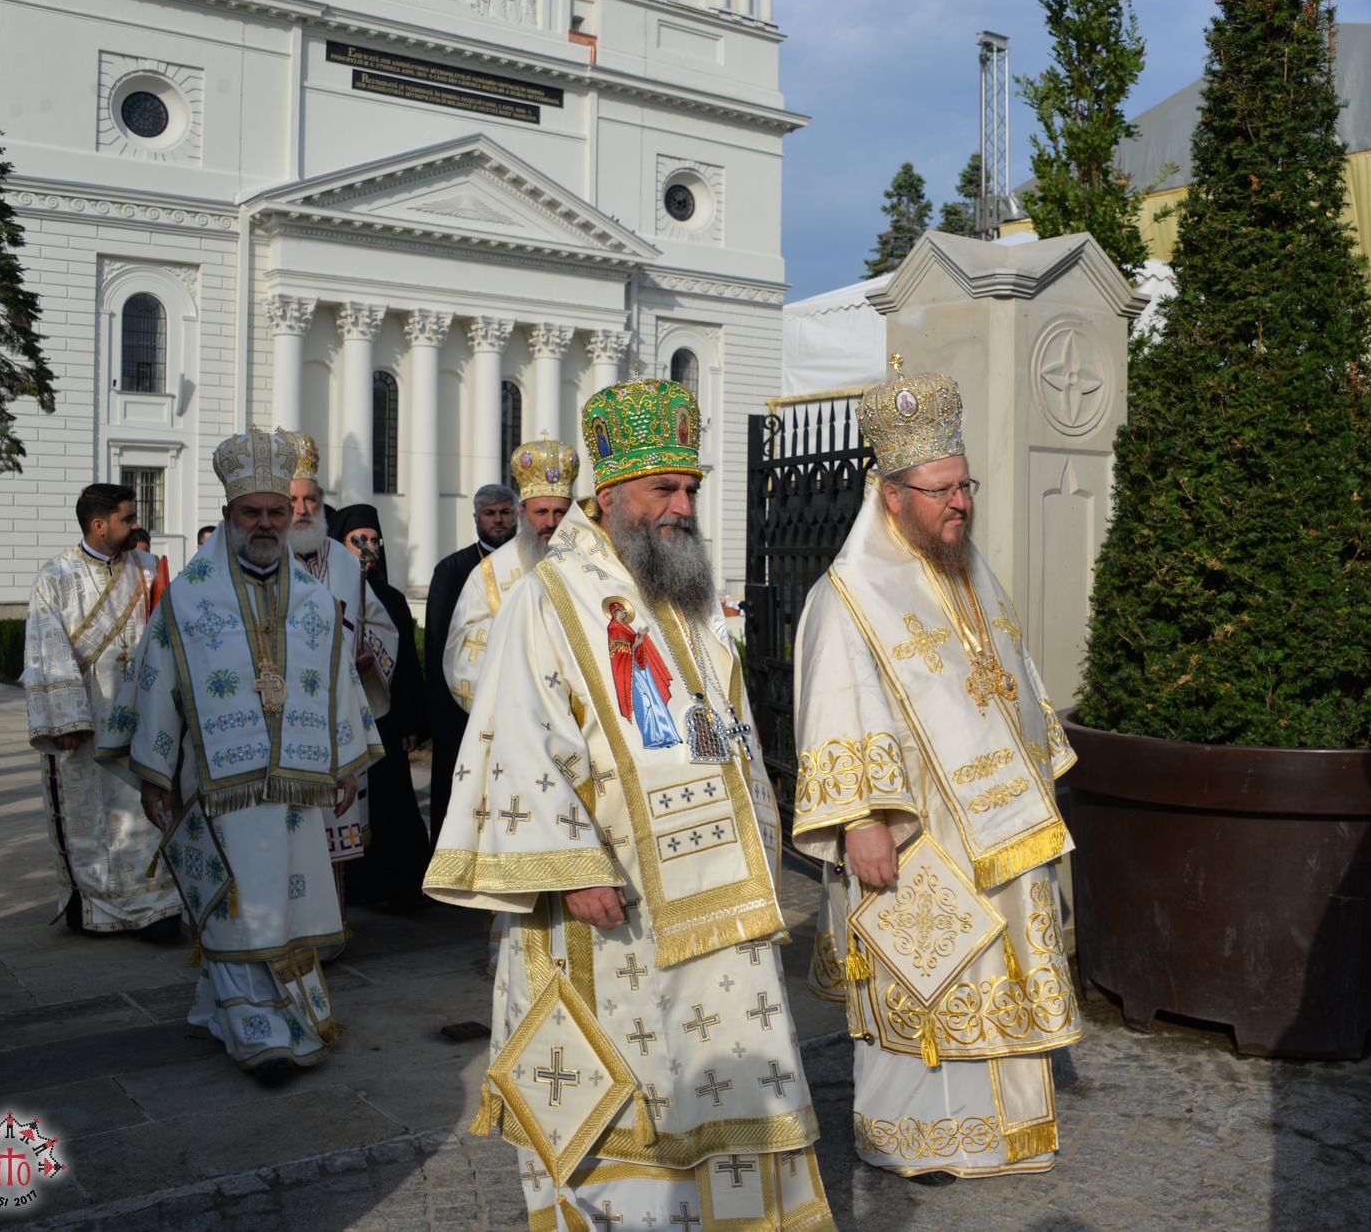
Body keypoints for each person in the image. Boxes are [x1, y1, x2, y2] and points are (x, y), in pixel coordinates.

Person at [424, 381, 834, 1230]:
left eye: (690, 488)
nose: (683, 506)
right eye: (663, 489)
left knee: (726, 1068)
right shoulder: (548, 597)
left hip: (719, 895)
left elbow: (726, 727)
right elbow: (515, 739)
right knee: (638, 1081)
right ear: (609, 496)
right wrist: (573, 866)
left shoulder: (686, 594)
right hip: (613, 899)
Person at [792, 368, 1081, 1182]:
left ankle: (1009, 1132)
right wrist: (860, 821)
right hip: (917, 831)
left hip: (999, 827)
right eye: (941, 489)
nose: (960, 503)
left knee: (999, 972)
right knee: (931, 975)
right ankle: (919, 1141)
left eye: (965, 485)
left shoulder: (968, 571)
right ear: (892, 495)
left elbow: (1009, 677)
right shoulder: (848, 596)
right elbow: (836, 705)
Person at [97, 430, 382, 1078]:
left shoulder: (314, 602)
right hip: (218, 787)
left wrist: (345, 763)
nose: (265, 523)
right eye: (251, 512)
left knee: (284, 897)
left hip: (296, 788)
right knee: (239, 900)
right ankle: (258, 1031)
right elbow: (157, 683)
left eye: (276, 512)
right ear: (228, 516)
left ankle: (217, 1006)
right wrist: (155, 774)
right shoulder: (189, 597)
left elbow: (338, 686)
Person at [20, 483, 182, 937]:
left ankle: (158, 906)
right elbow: (46, 649)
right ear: (99, 525)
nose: (136, 525)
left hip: (144, 716)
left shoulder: (147, 569)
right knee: (90, 814)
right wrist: (66, 719)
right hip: (88, 720)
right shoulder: (55, 576)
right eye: (127, 518)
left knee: (145, 814)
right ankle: (93, 905)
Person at [276, 430, 398, 871]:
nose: (302, 510)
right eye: (292, 500)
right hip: (282, 718)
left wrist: (370, 656)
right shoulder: (265, 558)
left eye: (310, 499)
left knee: (336, 844)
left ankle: (338, 911)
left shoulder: (345, 559)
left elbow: (380, 625)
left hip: (339, 717)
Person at [334, 504, 428, 910]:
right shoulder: (328, 592)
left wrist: (411, 720)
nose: (368, 547)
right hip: (344, 716)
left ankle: (399, 884)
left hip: (384, 719)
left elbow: (406, 665)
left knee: (391, 799)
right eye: (358, 540)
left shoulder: (391, 598)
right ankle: (356, 883)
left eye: (374, 540)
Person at [442, 436, 576, 710]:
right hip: (515, 705)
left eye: (560, 512)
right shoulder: (489, 573)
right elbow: (461, 649)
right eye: (541, 511)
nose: (551, 522)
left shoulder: (590, 561)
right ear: (522, 512)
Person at [424, 484, 516, 848]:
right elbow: (436, 645)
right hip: (461, 708)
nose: (498, 520)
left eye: (505, 512)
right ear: (476, 518)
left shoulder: (532, 562)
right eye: (490, 513)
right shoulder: (452, 569)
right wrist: (438, 715)